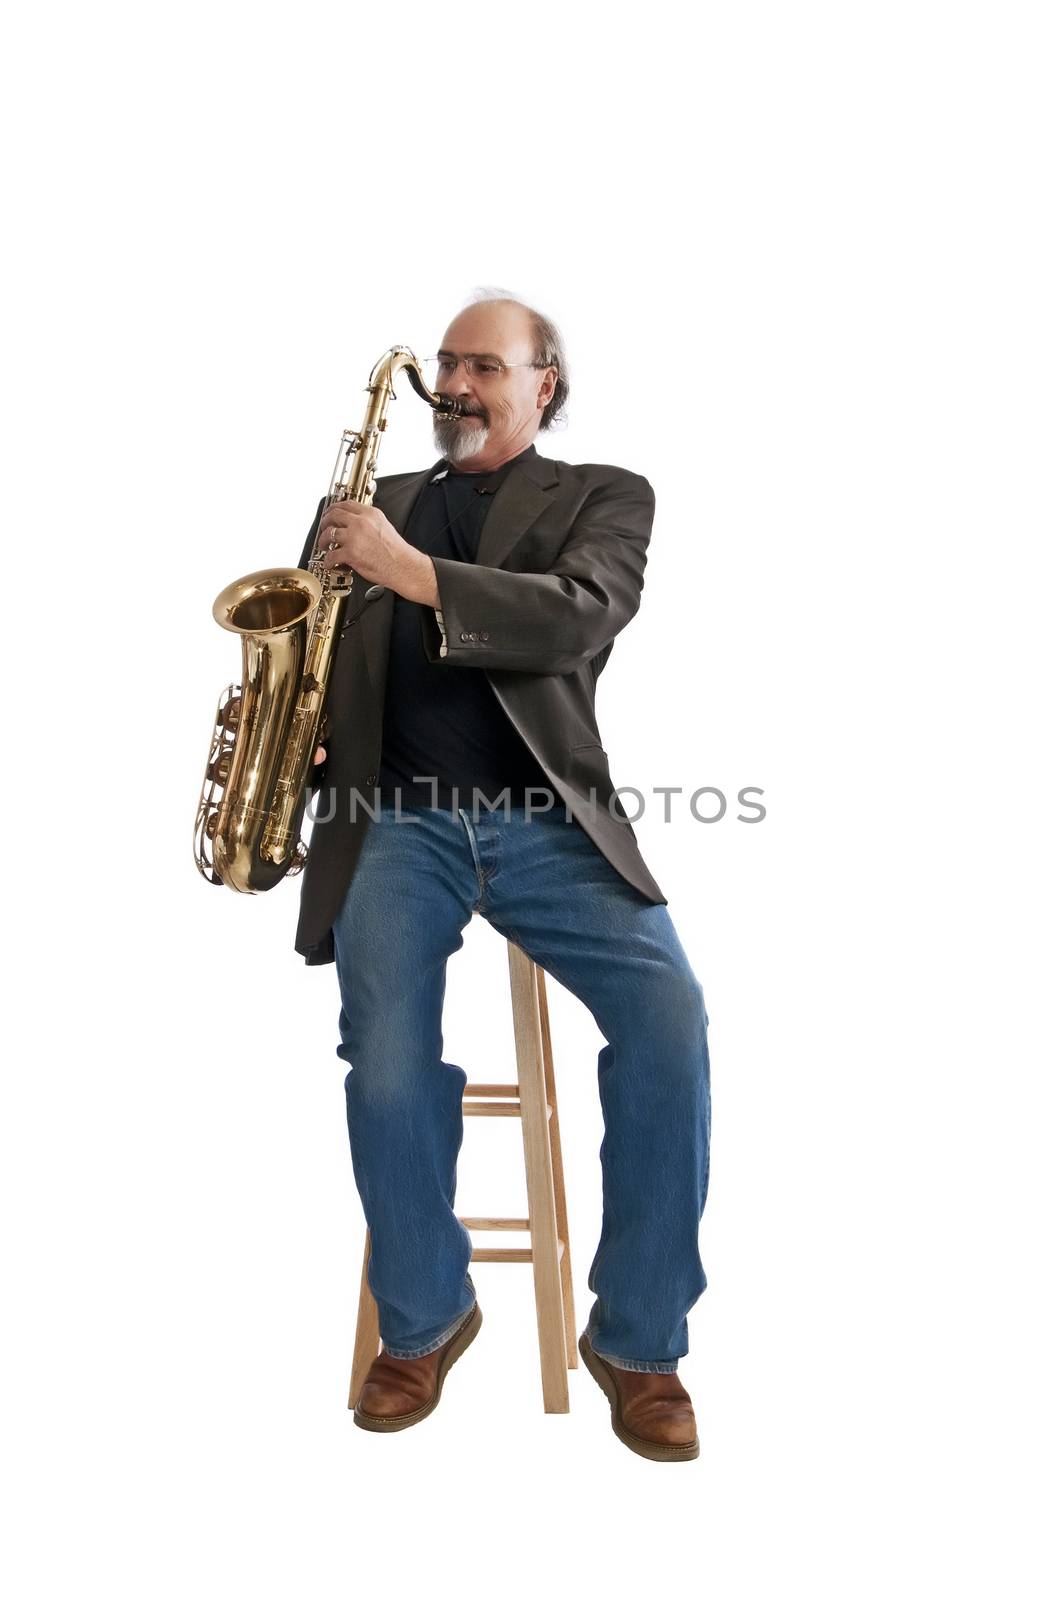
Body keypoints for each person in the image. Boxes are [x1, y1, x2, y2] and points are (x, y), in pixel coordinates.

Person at [294, 291, 711, 1462]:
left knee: (670, 1022)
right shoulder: (367, 505)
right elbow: (316, 640)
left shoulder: (602, 496)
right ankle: (425, 1315)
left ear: (546, 385)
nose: (457, 385)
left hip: (547, 821)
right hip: (398, 822)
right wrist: (306, 725)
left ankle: (638, 1342)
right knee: (381, 1055)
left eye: (485, 365)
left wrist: (412, 572)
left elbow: (578, 619)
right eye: (447, 364)